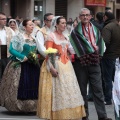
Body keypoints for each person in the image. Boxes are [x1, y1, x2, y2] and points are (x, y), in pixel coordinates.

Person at [37, 16, 86, 119]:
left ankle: (69, 115)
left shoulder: (66, 36)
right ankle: (58, 115)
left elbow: (71, 50)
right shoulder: (51, 36)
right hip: (55, 64)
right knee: (58, 91)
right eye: (62, 23)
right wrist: (51, 68)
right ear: (56, 24)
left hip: (67, 65)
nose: (64, 25)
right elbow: (48, 53)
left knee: (69, 91)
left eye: (65, 23)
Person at [70, 8, 112, 120]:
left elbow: (101, 44)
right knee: (82, 90)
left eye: (87, 15)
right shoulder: (74, 31)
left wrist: (98, 51)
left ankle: (102, 116)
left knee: (98, 90)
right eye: (83, 15)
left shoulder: (96, 30)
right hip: (81, 63)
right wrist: (86, 51)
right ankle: (85, 116)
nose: (85, 17)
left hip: (94, 62)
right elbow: (72, 47)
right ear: (79, 17)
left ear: (90, 16)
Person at [0, 19, 43, 112]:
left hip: (32, 65)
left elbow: (36, 51)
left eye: (33, 25)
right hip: (21, 64)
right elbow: (11, 50)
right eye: (30, 25)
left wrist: (35, 56)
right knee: (21, 84)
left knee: (34, 84)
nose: (32, 27)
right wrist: (22, 56)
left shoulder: (34, 38)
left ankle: (33, 107)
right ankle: (20, 107)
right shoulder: (18, 37)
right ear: (24, 27)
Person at [101, 11, 120, 105]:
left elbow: (105, 42)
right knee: (116, 78)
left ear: (106, 17)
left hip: (108, 56)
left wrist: (101, 52)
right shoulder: (117, 25)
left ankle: (108, 99)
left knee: (107, 79)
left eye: (104, 16)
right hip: (117, 56)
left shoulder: (108, 27)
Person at [0, 12, 15, 80]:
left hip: (7, 54)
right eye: (3, 19)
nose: (5, 20)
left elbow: (16, 40)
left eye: (5, 19)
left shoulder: (9, 30)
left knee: (6, 77)